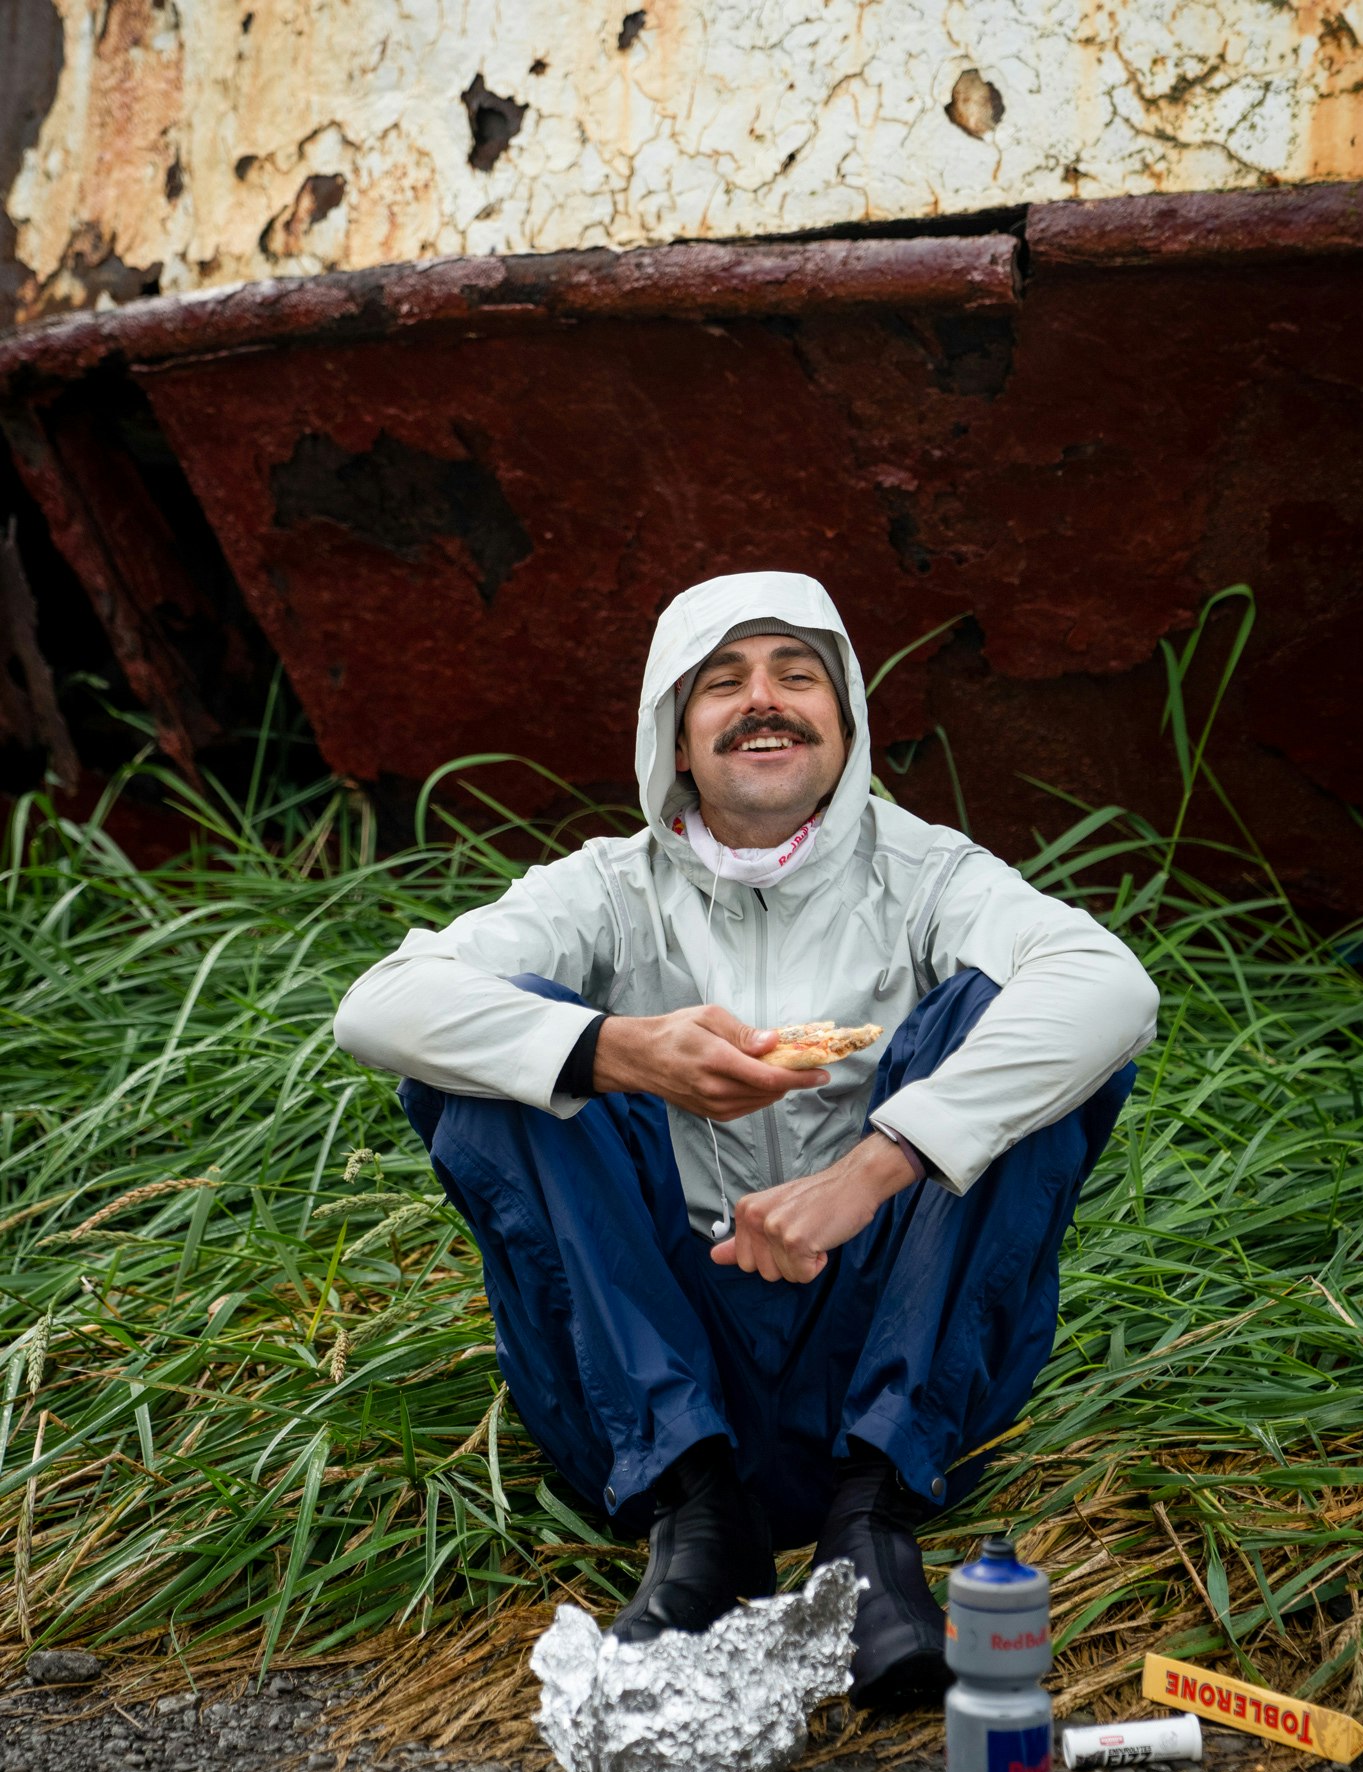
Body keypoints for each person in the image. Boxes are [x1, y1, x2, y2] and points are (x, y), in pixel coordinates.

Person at [335, 571, 1158, 1709]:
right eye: (721, 682)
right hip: (655, 1362)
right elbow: (377, 1003)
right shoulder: (606, 890)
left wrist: (882, 1162)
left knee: (1019, 1026)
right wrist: (617, 1049)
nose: (762, 701)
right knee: (495, 1053)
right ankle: (697, 1517)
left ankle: (871, 1526)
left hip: (887, 1349)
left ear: (848, 717)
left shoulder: (928, 874)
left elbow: (1112, 983)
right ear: (672, 731)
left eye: (797, 675)